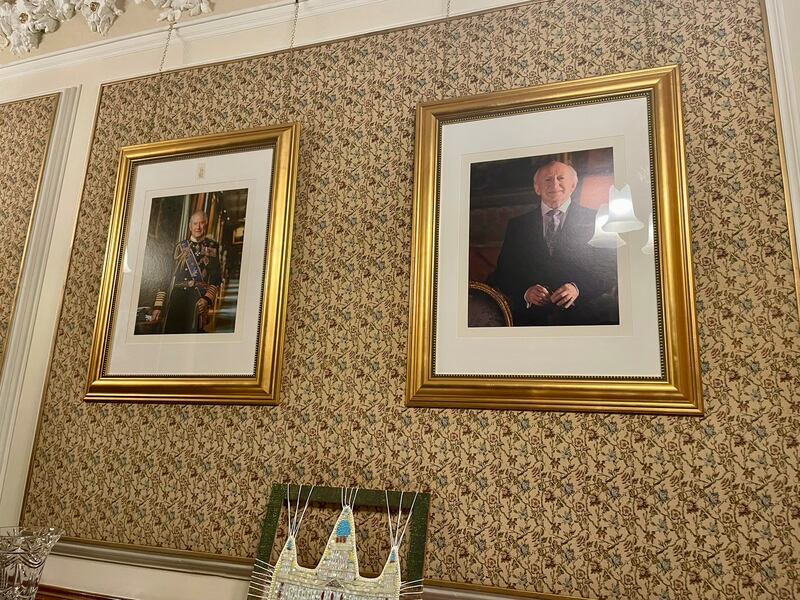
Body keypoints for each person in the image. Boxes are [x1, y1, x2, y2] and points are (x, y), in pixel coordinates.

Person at [488, 160, 619, 326]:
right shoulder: (518, 225)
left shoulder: (597, 219)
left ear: (573, 185)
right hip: (530, 320)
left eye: (561, 178)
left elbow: (609, 270)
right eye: (548, 180)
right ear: (537, 188)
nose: (554, 184)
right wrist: (526, 292)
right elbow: (503, 273)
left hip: (586, 317)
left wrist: (577, 289)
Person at [150, 210, 221, 333]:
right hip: (177, 299)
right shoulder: (179, 247)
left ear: (206, 224)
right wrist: (158, 305)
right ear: (190, 226)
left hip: (198, 299)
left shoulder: (212, 247)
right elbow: (166, 276)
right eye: (195, 223)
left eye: (201, 223)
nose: (198, 227)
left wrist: (207, 299)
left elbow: (215, 277)